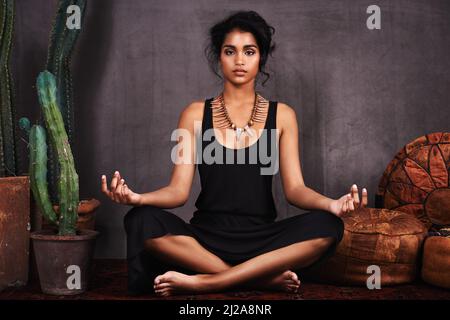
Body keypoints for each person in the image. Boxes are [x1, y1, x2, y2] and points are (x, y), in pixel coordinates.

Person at [101, 11, 368, 297]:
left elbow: (296, 190)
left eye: (249, 51)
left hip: (263, 240)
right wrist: (137, 198)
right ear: (219, 57)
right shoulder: (194, 114)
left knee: (328, 226)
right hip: (204, 240)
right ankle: (257, 279)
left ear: (260, 58)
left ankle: (207, 281)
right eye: (230, 51)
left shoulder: (283, 116)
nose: (240, 60)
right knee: (140, 220)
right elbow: (178, 192)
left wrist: (332, 205)